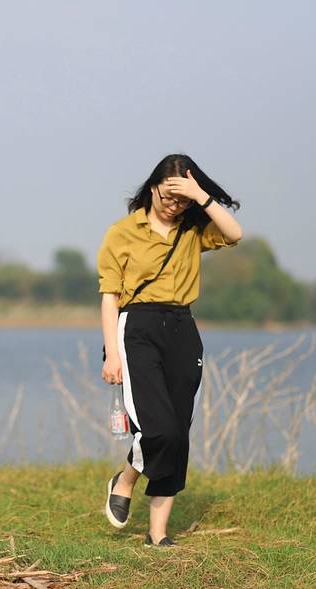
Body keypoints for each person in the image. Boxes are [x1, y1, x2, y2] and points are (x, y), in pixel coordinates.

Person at [97, 154, 243, 547]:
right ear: (152, 188)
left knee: (178, 433)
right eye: (167, 196)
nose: (173, 206)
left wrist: (200, 195)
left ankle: (157, 535)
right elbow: (110, 297)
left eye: (182, 200)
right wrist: (112, 353)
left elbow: (234, 233)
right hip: (137, 329)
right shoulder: (122, 233)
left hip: (183, 329)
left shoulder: (193, 230)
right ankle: (126, 479)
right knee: (157, 429)